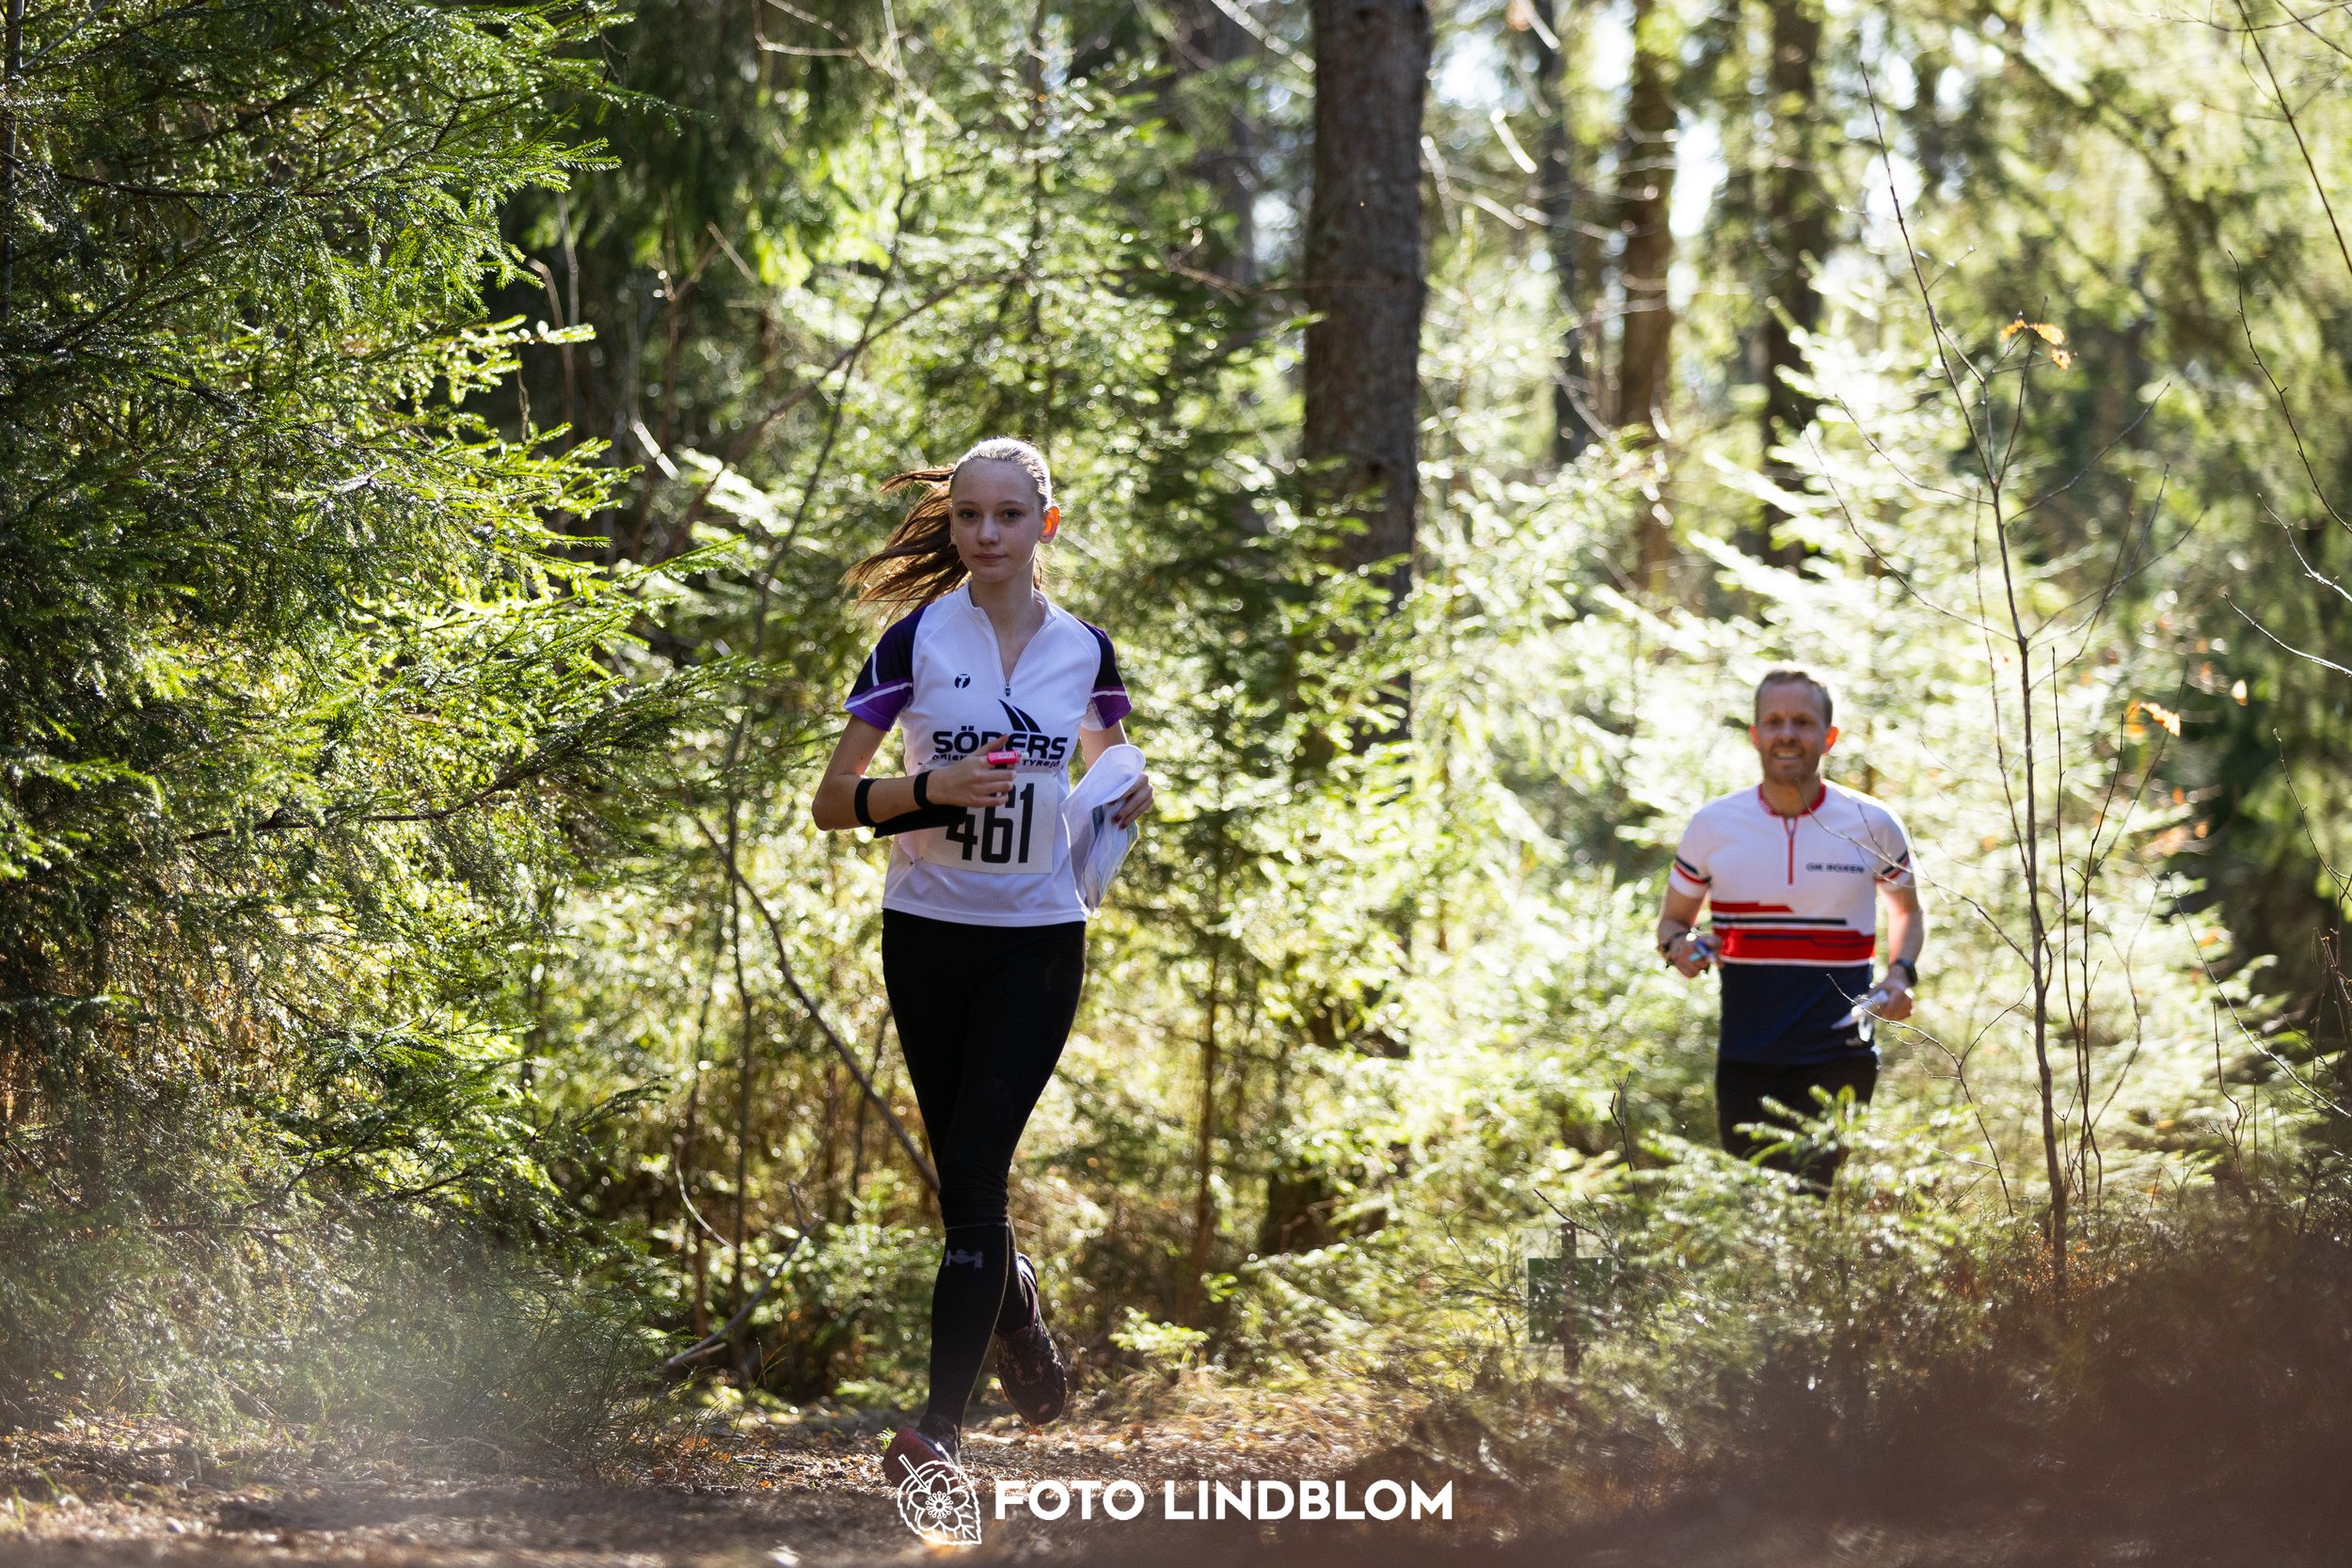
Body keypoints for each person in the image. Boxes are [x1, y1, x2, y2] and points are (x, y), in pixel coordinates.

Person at [811, 437, 1152, 1487]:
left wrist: (1131, 795)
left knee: (971, 1171)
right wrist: (930, 790)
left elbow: (1110, 767)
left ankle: (938, 1430)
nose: (987, 534)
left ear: (1044, 525)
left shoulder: (1085, 653)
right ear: (951, 524)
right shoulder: (912, 639)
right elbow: (833, 801)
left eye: (1009, 516)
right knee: (964, 1182)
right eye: (970, 516)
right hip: (926, 933)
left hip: (1039, 940)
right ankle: (1022, 1316)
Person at [1655, 670, 1925, 1188]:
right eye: (1774, 721)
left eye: (1802, 722)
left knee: (1810, 1194)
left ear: (1828, 737)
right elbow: (1672, 923)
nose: (1787, 734)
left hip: (1840, 1052)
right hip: (1746, 1051)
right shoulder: (1714, 825)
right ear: (1755, 734)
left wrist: (1899, 976)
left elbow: (1907, 912)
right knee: (1758, 1199)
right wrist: (1678, 948)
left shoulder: (1872, 822)